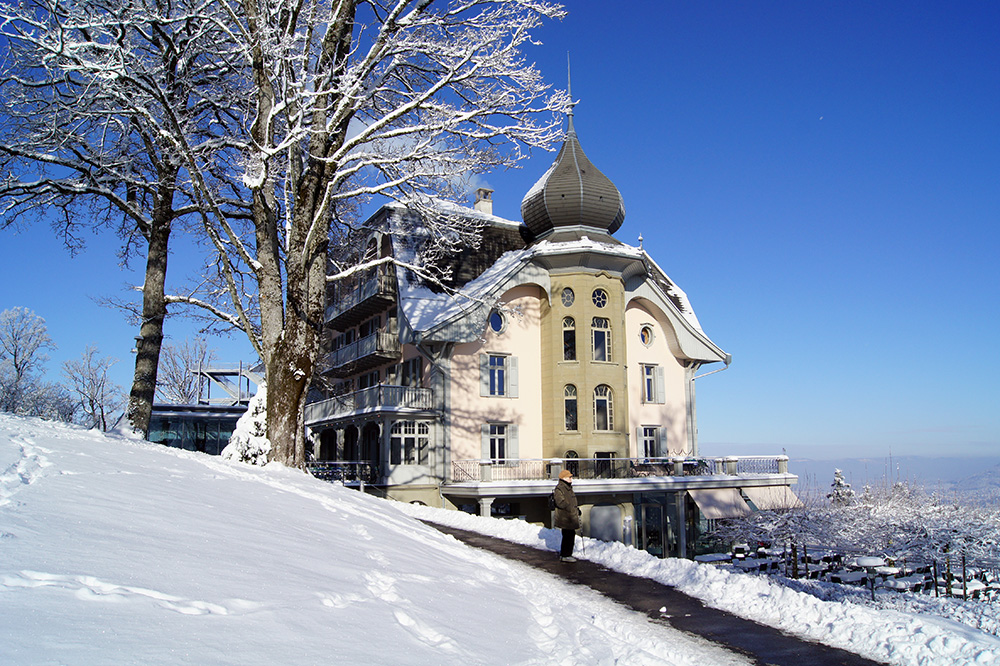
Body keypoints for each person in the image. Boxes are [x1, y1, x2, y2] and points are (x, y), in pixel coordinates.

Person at [553, 469, 580, 562]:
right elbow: (560, 502)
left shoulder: (567, 487)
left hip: (569, 516)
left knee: (570, 535)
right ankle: (565, 555)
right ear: (564, 478)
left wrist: (576, 509)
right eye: (569, 477)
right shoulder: (560, 488)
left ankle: (567, 554)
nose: (571, 478)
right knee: (568, 535)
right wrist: (570, 507)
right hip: (565, 517)